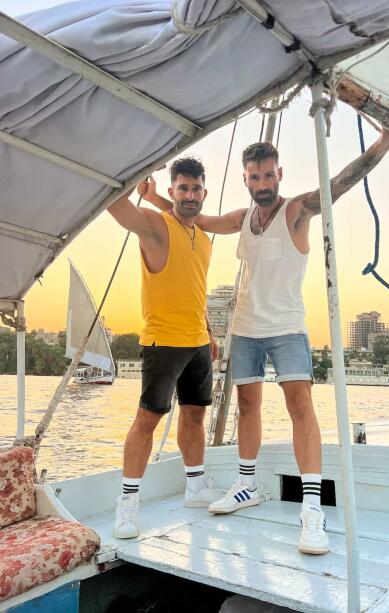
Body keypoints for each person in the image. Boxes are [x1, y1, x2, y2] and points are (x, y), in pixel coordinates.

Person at [139, 126, 389, 554]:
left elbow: (337, 186)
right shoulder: (241, 219)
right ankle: (247, 486)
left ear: (279, 174)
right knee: (247, 406)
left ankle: (312, 509)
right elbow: (191, 216)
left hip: (287, 327)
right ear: (245, 180)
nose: (262, 185)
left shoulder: (296, 210)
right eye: (254, 178)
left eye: (268, 176)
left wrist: (381, 146)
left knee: (300, 406)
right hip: (245, 327)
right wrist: (155, 199)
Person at [108, 157, 219, 539]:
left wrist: (208, 331)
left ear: (204, 192)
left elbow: (194, 288)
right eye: (183, 188)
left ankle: (196, 486)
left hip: (198, 343)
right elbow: (115, 205)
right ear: (171, 192)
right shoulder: (156, 226)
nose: (190, 195)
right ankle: (127, 507)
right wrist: (134, 169)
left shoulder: (203, 239)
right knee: (147, 420)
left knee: (194, 417)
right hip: (163, 342)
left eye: (196, 188)